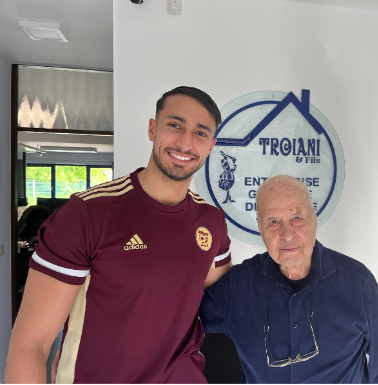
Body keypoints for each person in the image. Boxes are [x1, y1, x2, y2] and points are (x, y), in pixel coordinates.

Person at [5, 86, 232, 383]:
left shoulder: (211, 221)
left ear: (211, 145)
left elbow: (223, 298)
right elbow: (30, 345)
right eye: (174, 125)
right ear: (153, 129)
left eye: (201, 133)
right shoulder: (87, 214)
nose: (185, 142)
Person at [200, 175, 378, 383]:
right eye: (273, 221)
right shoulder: (238, 286)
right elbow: (183, 325)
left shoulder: (357, 282)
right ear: (260, 228)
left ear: (314, 219)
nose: (287, 234)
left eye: (297, 218)